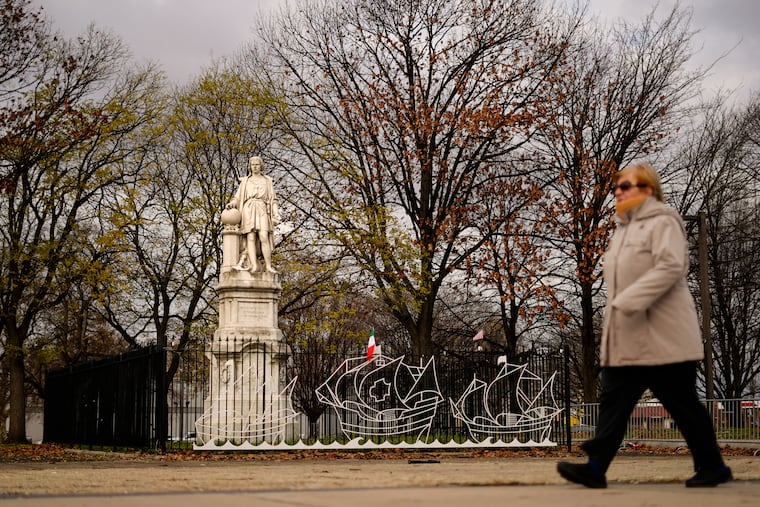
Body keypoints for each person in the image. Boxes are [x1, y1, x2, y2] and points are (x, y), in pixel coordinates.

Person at [557, 162, 731, 489]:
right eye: (616, 188)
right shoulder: (623, 231)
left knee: (683, 405)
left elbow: (671, 266)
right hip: (630, 336)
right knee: (614, 402)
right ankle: (595, 468)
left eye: (626, 186)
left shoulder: (664, 221)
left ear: (648, 189)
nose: (618, 192)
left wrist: (628, 302)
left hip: (664, 337)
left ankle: (713, 466)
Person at [227, 156, 281, 273]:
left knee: (263, 237)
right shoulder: (245, 181)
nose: (255, 167)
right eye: (253, 165)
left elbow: (273, 200)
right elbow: (238, 197)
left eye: (257, 164)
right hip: (248, 209)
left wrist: (276, 213)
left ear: (261, 166)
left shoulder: (267, 181)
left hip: (262, 208)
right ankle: (254, 265)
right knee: (250, 237)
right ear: (250, 166)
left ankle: (268, 266)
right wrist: (232, 203)